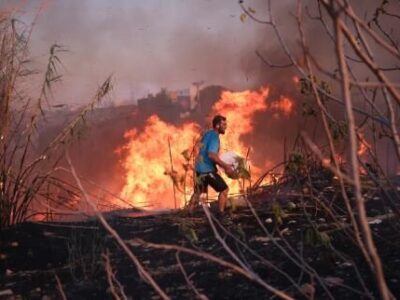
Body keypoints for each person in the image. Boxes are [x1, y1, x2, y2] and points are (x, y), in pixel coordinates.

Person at [188, 115, 235, 216]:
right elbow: (211, 155)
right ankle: (221, 214)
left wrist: (220, 164)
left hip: (199, 168)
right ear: (217, 126)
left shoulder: (208, 134)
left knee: (198, 192)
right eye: (224, 124)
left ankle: (188, 213)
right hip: (207, 170)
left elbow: (204, 151)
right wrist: (226, 166)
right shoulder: (214, 137)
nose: (225, 126)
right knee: (224, 189)